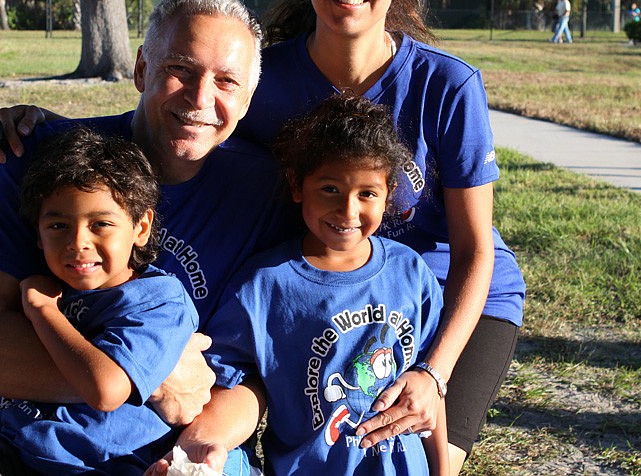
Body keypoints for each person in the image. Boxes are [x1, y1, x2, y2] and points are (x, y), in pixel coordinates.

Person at [0, 0, 526, 474]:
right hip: (322, 293)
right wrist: (41, 129)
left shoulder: (447, 86)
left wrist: (433, 371)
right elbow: (186, 120)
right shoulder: (267, 83)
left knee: (428, 462)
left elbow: (475, 252)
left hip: (446, 296)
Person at [0, 0, 295, 453]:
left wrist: (200, 449)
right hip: (33, 436)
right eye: (179, 70)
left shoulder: (268, 193)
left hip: (177, 444)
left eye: (226, 81)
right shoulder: (41, 158)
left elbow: (258, 371)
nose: (200, 97)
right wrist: (143, 374)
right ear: (142, 69)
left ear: (249, 98)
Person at [147, 93, 449, 476]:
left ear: (389, 192)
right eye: (330, 189)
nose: (348, 210)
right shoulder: (261, 286)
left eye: (367, 193)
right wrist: (197, 448)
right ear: (296, 185)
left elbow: (430, 395)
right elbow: (227, 386)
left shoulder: (411, 273)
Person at [0, 126, 220, 475]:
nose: (78, 242)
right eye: (59, 226)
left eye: (101, 224)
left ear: (141, 228)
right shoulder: (56, 284)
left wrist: (43, 311)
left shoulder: (158, 302)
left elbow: (106, 389)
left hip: (96, 465)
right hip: (8, 451)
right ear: (37, 234)